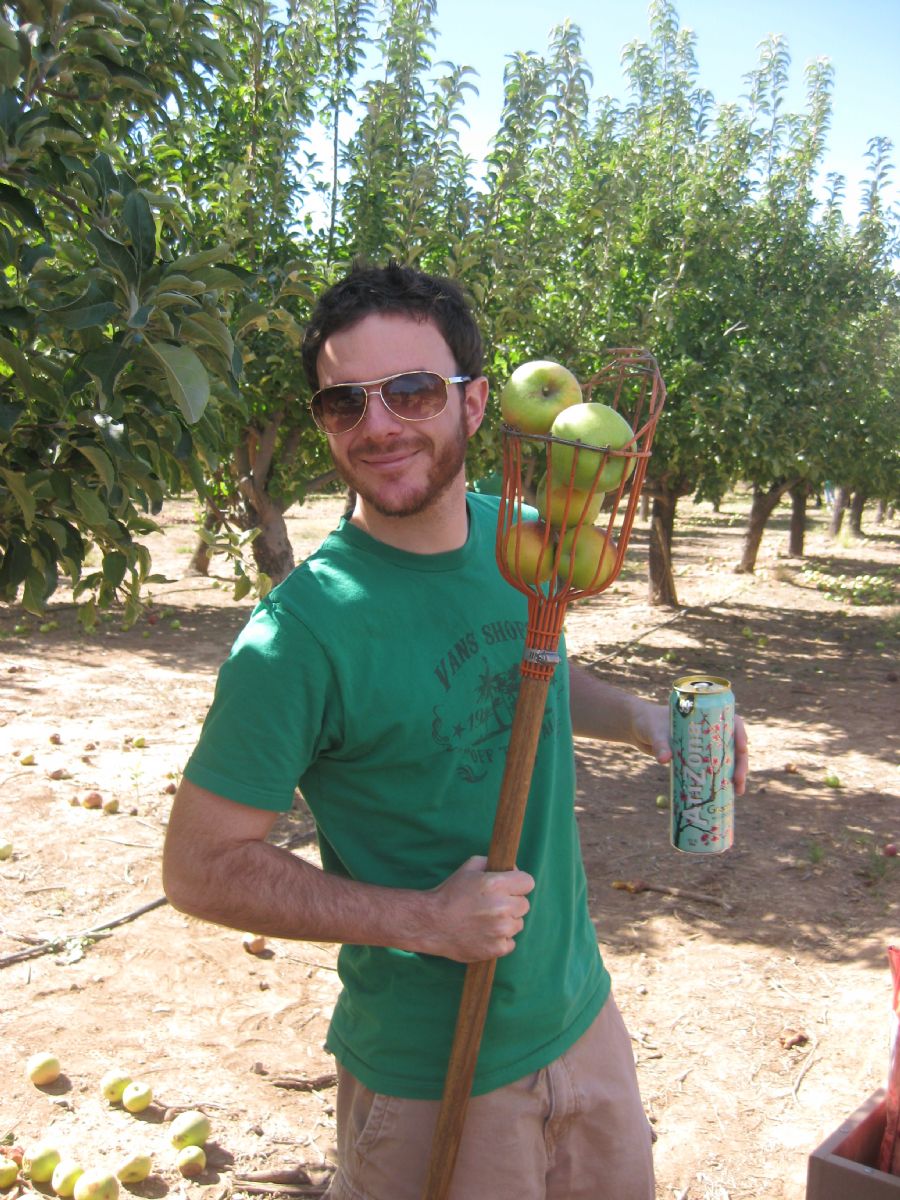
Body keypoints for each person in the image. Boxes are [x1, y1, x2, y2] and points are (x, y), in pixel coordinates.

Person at [162, 261, 748, 1200]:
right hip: (437, 1072)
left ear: (476, 406)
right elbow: (198, 866)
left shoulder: (522, 539)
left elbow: (534, 671)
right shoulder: (299, 638)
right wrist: (423, 921)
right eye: (343, 404)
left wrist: (641, 721)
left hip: (580, 1016)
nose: (379, 424)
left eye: (412, 390)